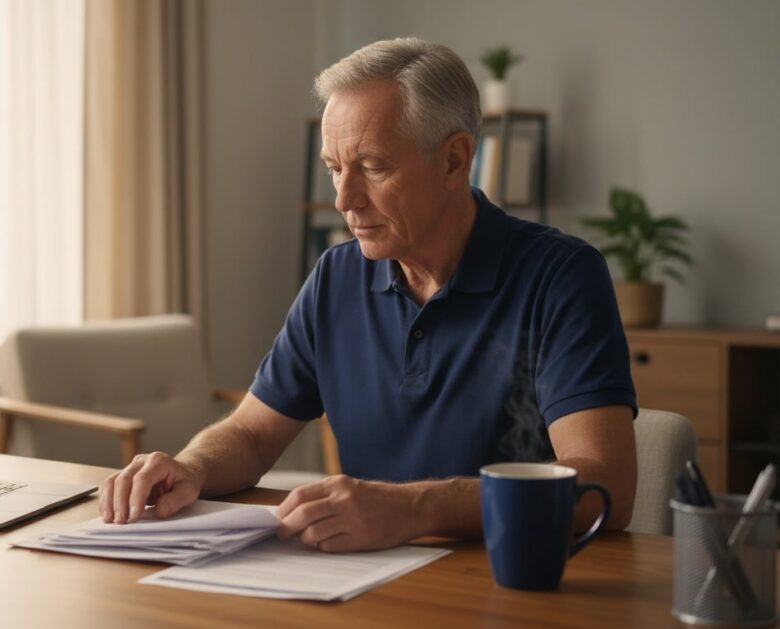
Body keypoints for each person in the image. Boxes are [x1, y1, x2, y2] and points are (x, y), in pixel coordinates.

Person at [98, 37, 638, 552]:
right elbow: (253, 435)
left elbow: (603, 490)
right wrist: (193, 467)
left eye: (373, 167)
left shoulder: (561, 275)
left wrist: (414, 508)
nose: (343, 199)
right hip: (362, 584)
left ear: (454, 160)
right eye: (334, 169)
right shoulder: (336, 276)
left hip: (510, 586)